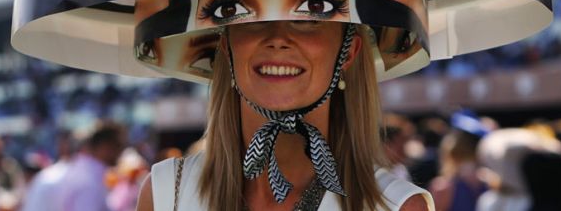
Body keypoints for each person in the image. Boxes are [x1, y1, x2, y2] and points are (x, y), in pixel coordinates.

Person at [136, 20, 433, 211]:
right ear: (226, 45)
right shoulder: (166, 193)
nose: (278, 38)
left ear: (349, 50)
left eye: (310, 14)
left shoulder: (398, 206)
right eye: (251, 17)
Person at [56, 122, 126, 211]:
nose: (121, 151)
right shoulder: (89, 181)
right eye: (118, 145)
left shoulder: (82, 171)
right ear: (105, 146)